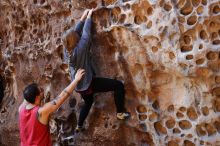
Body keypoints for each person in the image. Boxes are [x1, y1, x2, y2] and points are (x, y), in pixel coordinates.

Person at [62, 9, 130, 133]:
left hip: (79, 85)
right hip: (89, 83)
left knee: (88, 102)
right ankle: (120, 112)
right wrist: (88, 17)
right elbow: (86, 34)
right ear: (75, 40)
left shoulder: (67, 50)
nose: (77, 34)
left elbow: (75, 33)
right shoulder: (81, 48)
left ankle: (79, 125)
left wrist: (82, 18)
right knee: (118, 86)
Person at [19, 69, 85, 146]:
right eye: (41, 90)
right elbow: (63, 96)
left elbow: (27, 94)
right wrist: (76, 80)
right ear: (37, 97)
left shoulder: (21, 109)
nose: (43, 90)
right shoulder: (41, 112)